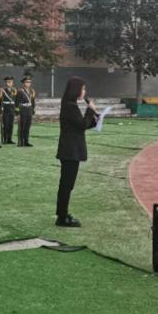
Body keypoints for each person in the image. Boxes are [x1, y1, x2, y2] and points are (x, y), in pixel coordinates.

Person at [55, 77, 98, 227]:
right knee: (66, 185)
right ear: (76, 89)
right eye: (83, 88)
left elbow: (80, 125)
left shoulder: (70, 105)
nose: (84, 92)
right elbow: (81, 124)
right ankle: (62, 217)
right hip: (70, 150)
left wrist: (95, 120)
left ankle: (62, 214)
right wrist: (90, 110)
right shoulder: (70, 106)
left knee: (67, 185)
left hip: (70, 149)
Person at [16, 74, 36, 147]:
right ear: (24, 83)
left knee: (28, 126)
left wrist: (33, 109)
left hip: (29, 110)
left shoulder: (32, 91)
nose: (28, 83)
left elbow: (33, 102)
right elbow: (17, 103)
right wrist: (17, 113)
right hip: (23, 110)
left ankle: (26, 141)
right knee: (22, 126)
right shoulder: (20, 91)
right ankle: (21, 141)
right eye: (27, 82)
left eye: (29, 82)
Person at [1, 76, 17, 144]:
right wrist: (1, 108)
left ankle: (9, 139)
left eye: (11, 82)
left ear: (12, 83)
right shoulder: (3, 90)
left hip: (12, 108)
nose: (9, 83)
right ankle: (5, 139)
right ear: (6, 83)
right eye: (8, 82)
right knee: (5, 125)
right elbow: (0, 100)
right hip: (5, 108)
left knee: (11, 125)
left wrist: (16, 110)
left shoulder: (14, 90)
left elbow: (16, 100)